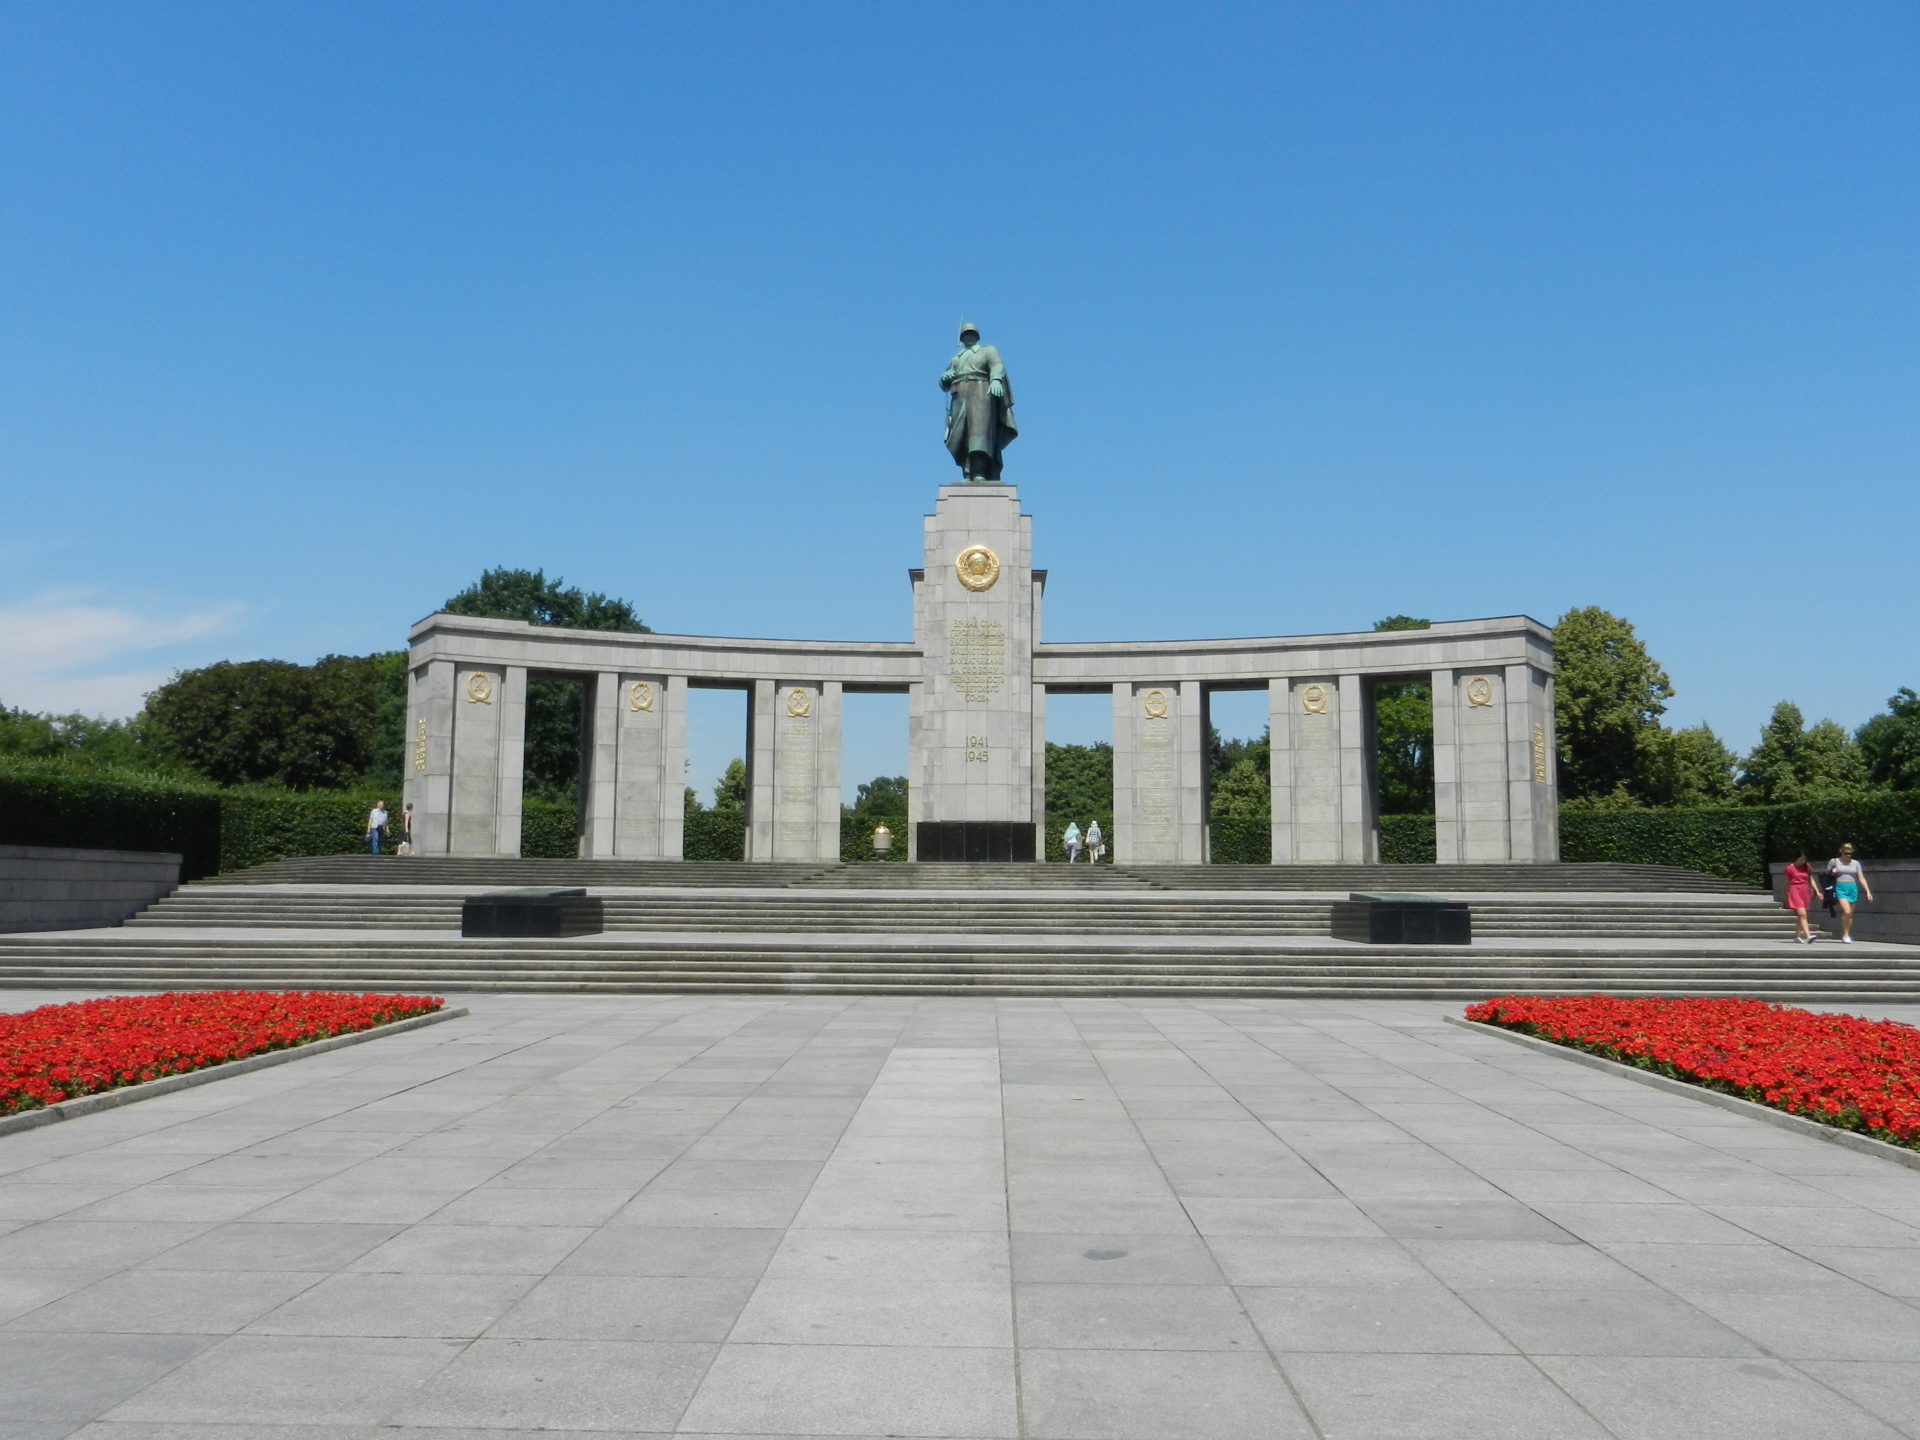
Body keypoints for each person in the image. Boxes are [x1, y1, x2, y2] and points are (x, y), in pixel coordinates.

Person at [939, 323, 1017, 482]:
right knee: (961, 435)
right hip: (959, 395)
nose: (969, 336)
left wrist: (995, 379)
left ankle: (979, 472)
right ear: (961, 338)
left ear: (976, 335)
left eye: (971, 333)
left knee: (978, 434)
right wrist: (944, 379)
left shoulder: (987, 351)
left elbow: (997, 365)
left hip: (981, 392)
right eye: (966, 334)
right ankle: (966, 472)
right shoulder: (956, 359)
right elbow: (944, 381)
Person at [1827, 843, 1874, 943]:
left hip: (1852, 888)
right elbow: (1827, 875)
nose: (1848, 855)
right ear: (1841, 852)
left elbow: (1861, 877)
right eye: (1846, 853)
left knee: (1849, 914)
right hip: (1840, 887)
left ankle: (1846, 933)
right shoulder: (1834, 861)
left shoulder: (1855, 863)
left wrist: (1868, 891)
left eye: (1850, 853)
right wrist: (1832, 872)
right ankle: (1845, 935)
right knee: (1847, 911)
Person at [1782, 851, 1819, 944]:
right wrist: (1786, 893)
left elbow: (1811, 879)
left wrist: (1817, 891)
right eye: (1801, 859)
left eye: (1804, 859)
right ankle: (1808, 935)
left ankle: (1797, 936)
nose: (1803, 861)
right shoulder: (1789, 868)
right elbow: (1787, 881)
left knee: (1800, 915)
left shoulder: (1807, 867)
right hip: (1794, 890)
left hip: (1804, 890)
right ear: (1796, 858)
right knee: (1802, 914)